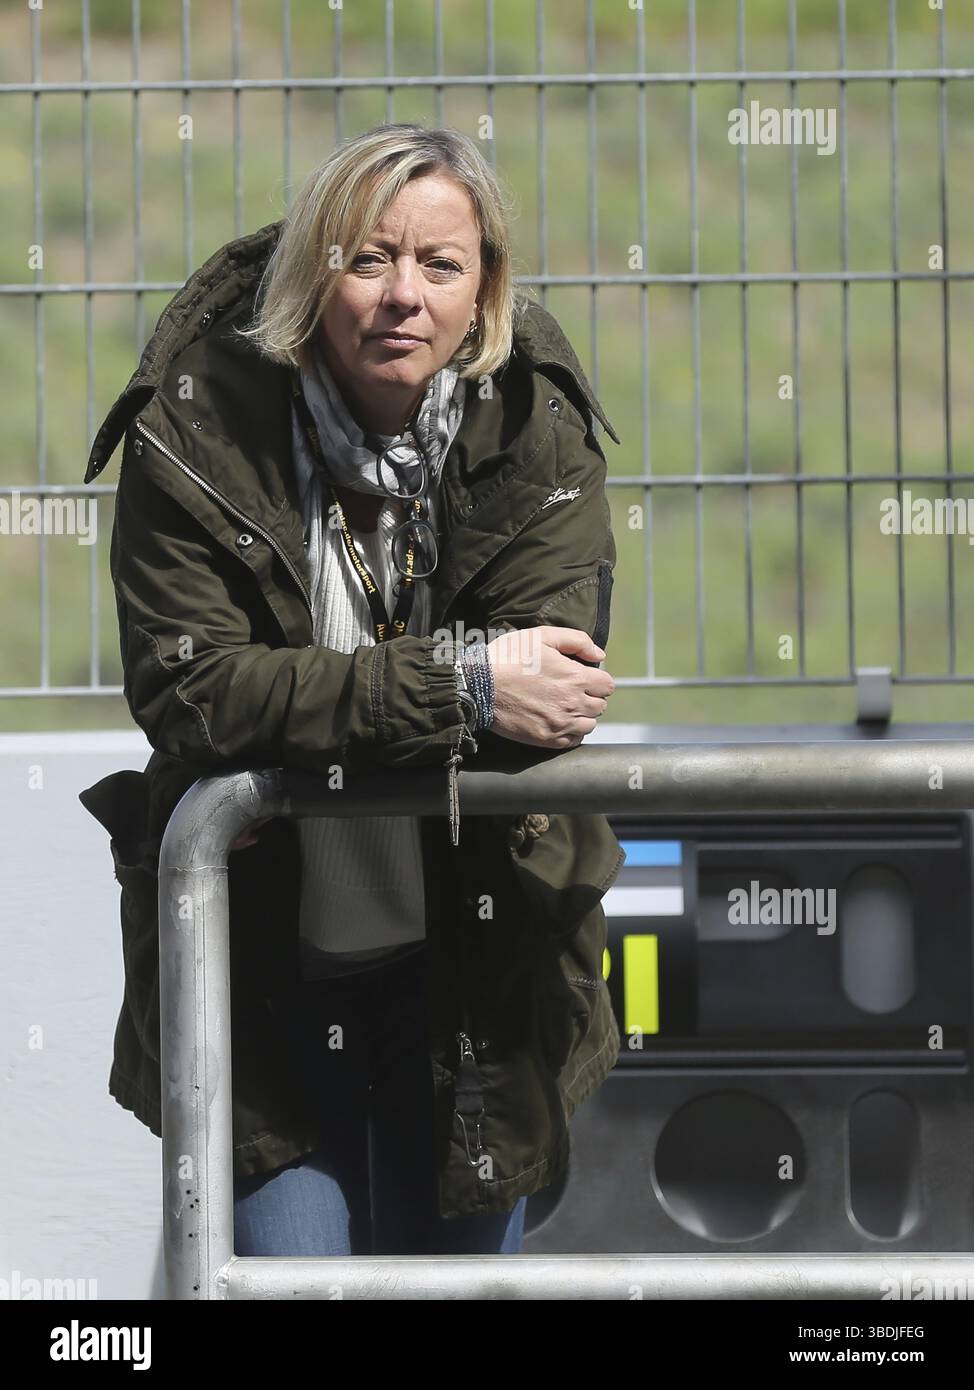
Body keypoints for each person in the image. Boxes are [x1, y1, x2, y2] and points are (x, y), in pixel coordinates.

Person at [80, 122, 625, 1260]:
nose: (402, 297)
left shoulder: (540, 429)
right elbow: (192, 693)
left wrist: (345, 701)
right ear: (309, 274)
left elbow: (551, 696)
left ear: (484, 292)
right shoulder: (196, 426)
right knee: (285, 1283)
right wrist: (464, 685)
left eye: (440, 266)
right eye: (368, 259)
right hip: (265, 968)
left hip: (475, 966)